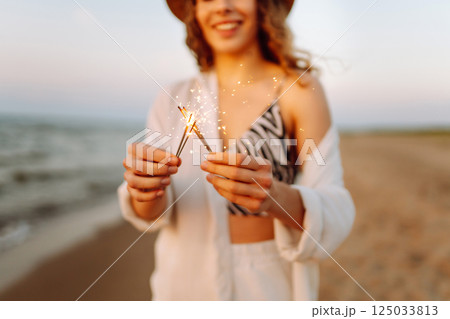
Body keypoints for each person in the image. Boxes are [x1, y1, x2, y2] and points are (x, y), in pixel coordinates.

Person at [117, 0, 355, 300]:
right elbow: (151, 216)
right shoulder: (172, 98)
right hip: (181, 282)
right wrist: (144, 191)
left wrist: (273, 197)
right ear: (195, 13)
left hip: (266, 286)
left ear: (264, 6)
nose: (222, 6)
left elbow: (337, 208)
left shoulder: (298, 89)